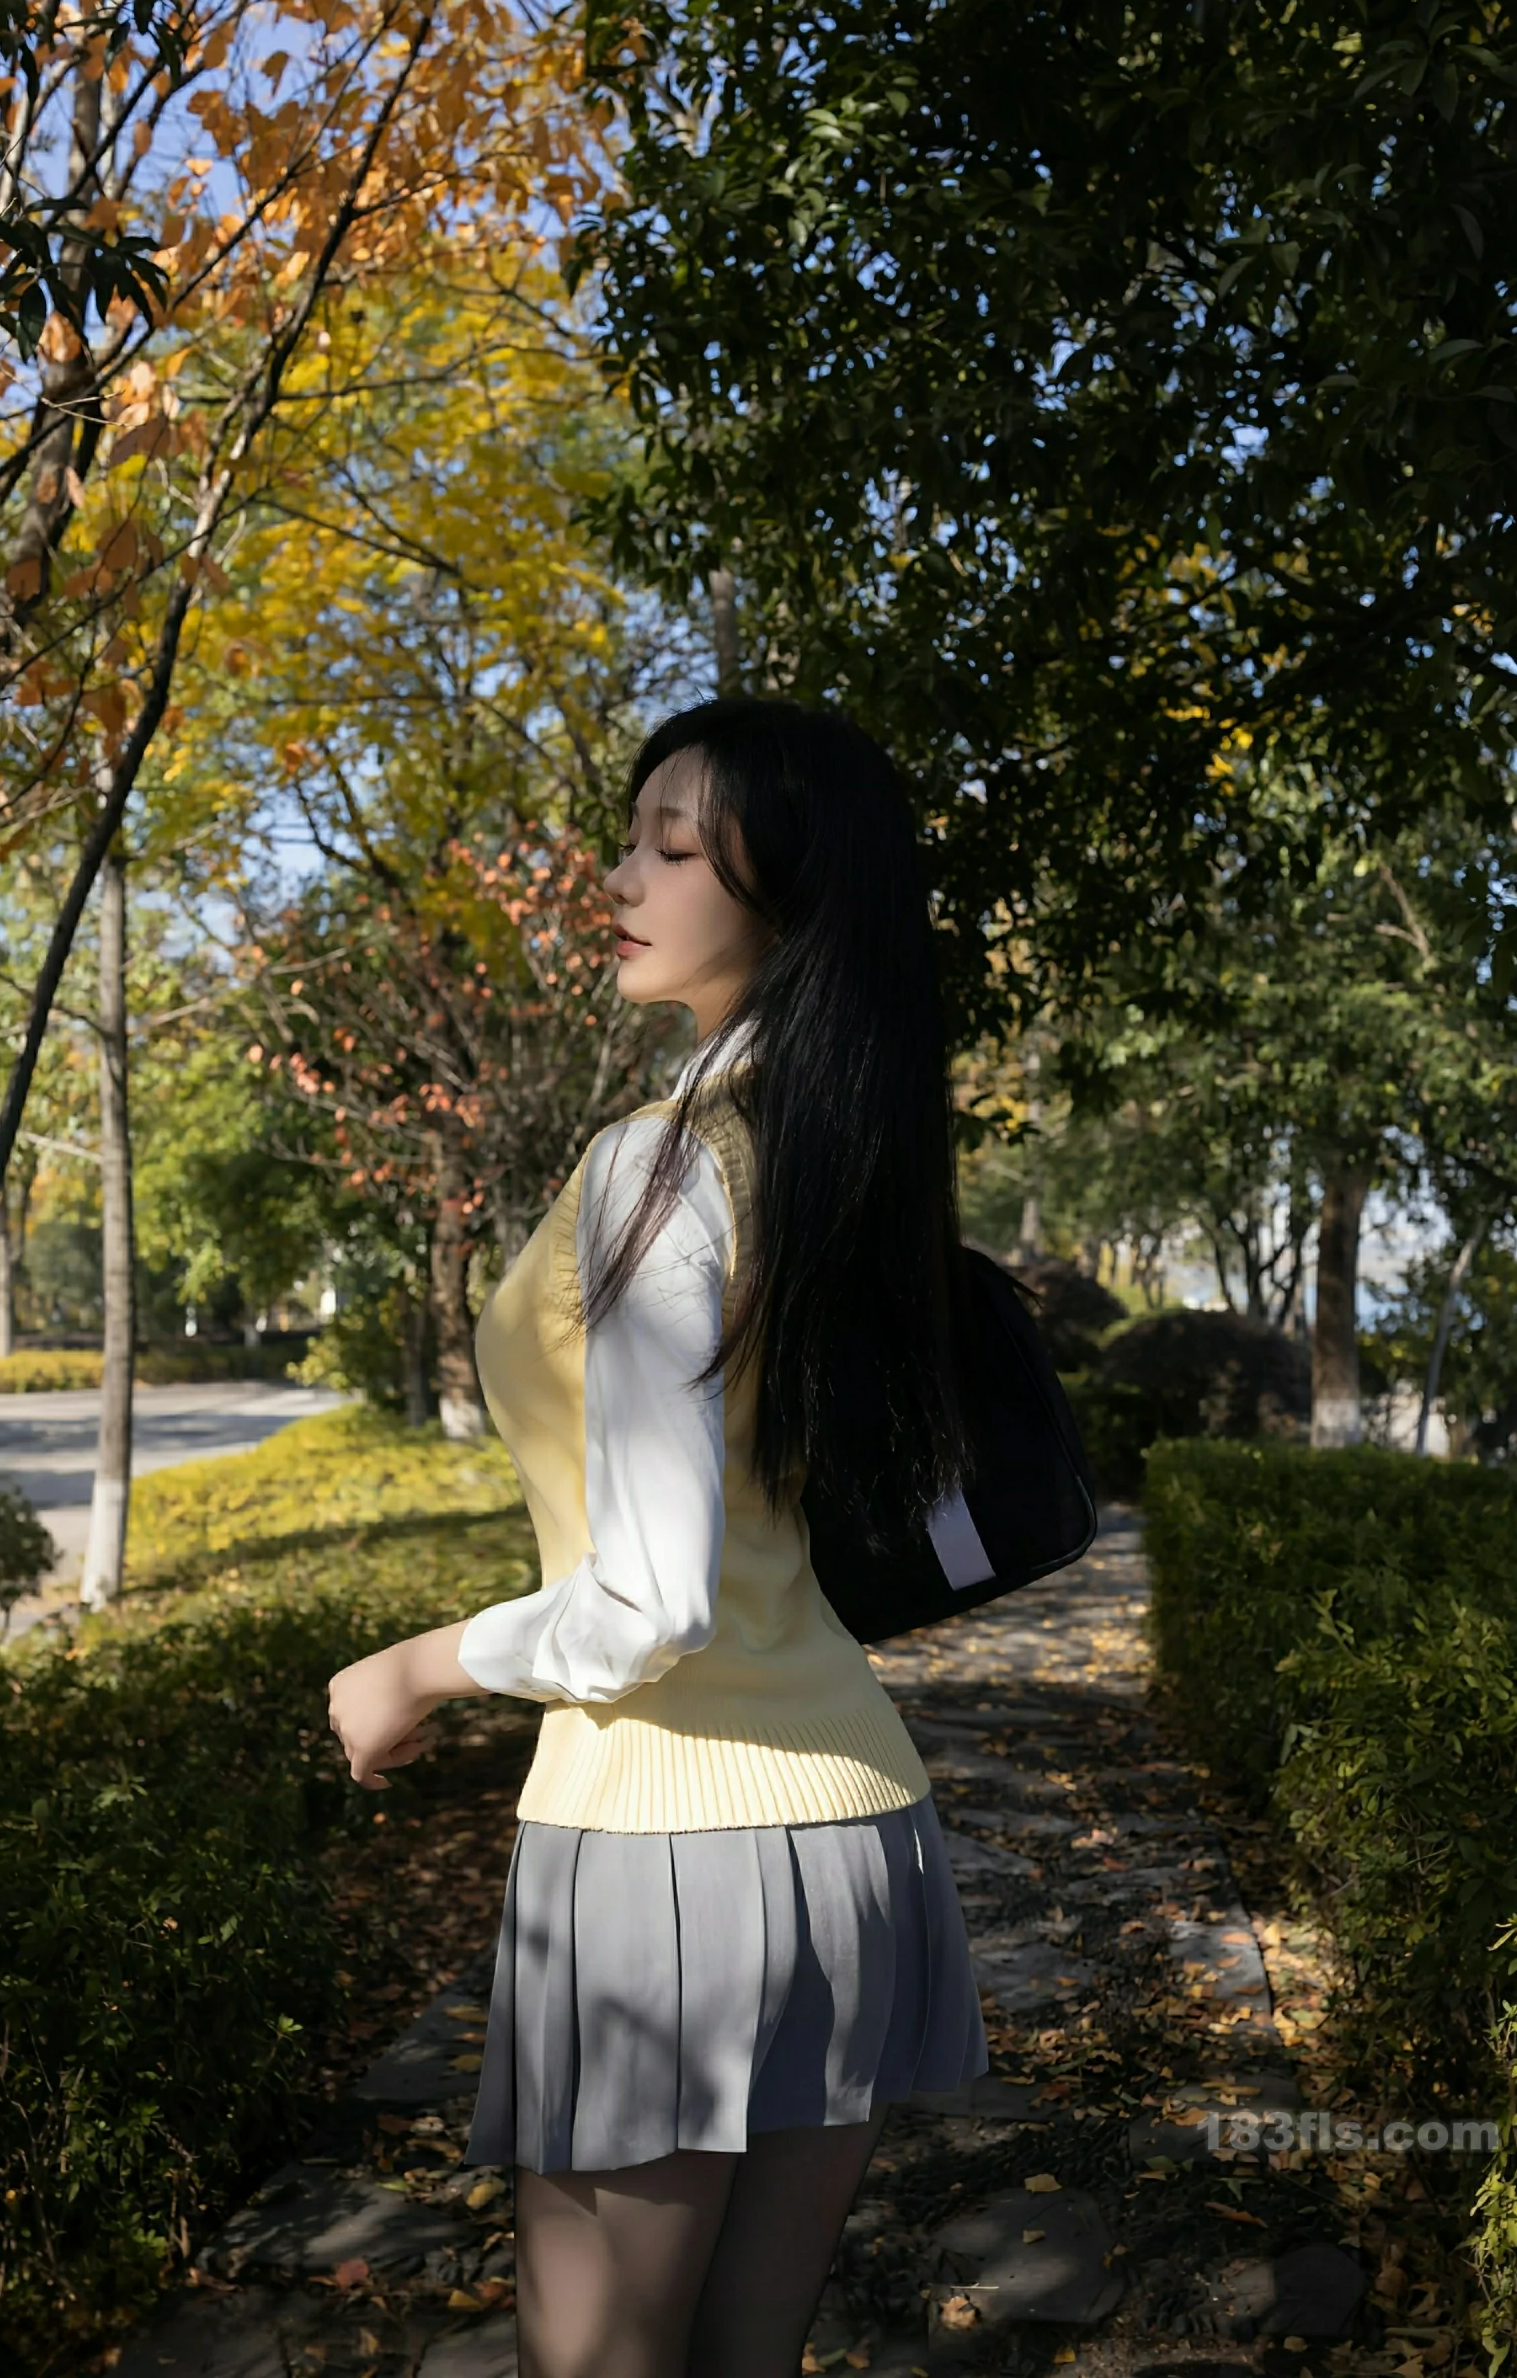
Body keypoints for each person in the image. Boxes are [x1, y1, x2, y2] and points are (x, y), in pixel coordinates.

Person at [327, 698, 988, 2378]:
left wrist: (415, 1664)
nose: (619, 878)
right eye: (631, 839)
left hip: (663, 1840)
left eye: (672, 849)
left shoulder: (662, 1168)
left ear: (794, 888)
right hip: (855, 1829)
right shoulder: (837, 1154)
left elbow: (647, 1601)